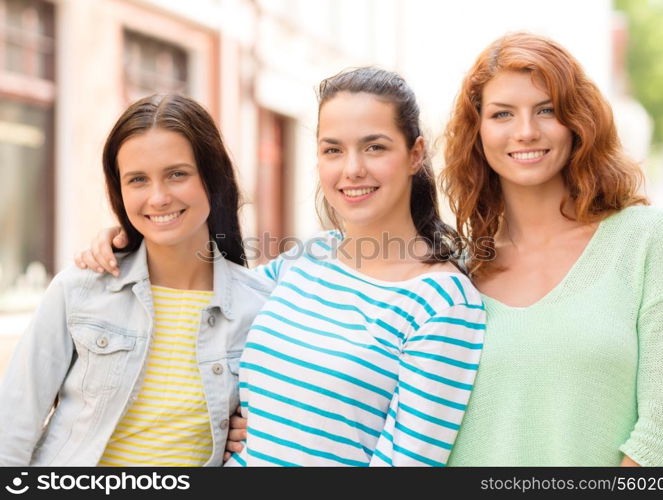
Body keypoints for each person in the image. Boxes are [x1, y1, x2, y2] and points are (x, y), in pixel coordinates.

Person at [74, 67, 486, 466]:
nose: (352, 169)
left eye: (374, 147)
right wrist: (131, 239)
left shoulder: (443, 303)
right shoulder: (304, 261)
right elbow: (199, 297)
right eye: (333, 150)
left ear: (415, 154)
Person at [439, 32, 663, 466]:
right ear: (477, 132)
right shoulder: (453, 276)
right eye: (502, 114)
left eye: (546, 110)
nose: (525, 131)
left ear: (578, 121)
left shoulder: (648, 242)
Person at [0, 94, 273, 466]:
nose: (158, 197)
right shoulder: (79, 289)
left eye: (177, 174)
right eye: (138, 180)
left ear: (212, 179)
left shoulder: (260, 308)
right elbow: (12, 426)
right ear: (120, 190)